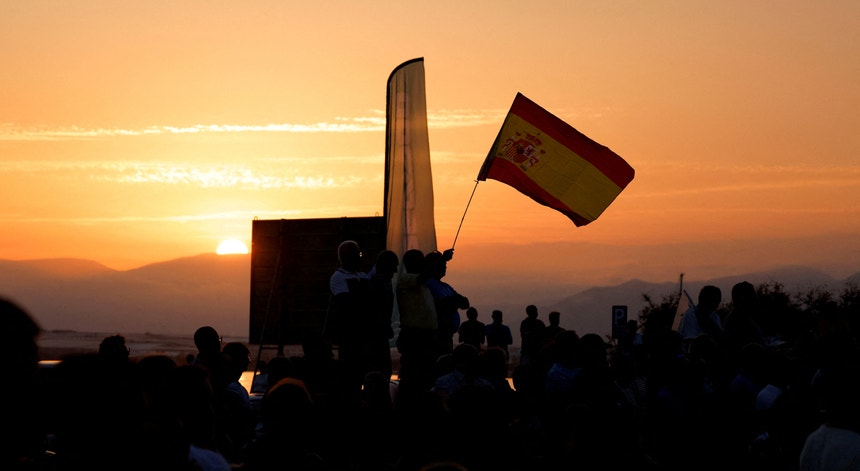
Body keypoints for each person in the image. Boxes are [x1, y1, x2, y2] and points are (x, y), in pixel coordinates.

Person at [328, 240, 373, 391]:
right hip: (350, 335)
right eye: (357, 254)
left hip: (364, 335)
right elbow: (347, 303)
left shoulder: (362, 275)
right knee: (351, 376)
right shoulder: (338, 277)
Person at [395, 248, 438, 391]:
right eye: (422, 261)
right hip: (414, 336)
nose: (424, 265)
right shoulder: (405, 279)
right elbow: (424, 275)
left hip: (424, 336)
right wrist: (440, 260)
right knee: (413, 375)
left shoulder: (420, 283)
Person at [424, 249, 470, 357]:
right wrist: (451, 303)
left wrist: (451, 302)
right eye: (442, 264)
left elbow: (465, 303)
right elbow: (441, 306)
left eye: (445, 264)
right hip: (436, 337)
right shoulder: (427, 283)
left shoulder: (446, 287)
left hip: (447, 337)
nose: (445, 266)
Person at [677, 285, 724, 351]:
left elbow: (720, 338)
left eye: (718, 301)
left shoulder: (715, 316)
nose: (717, 305)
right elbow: (689, 342)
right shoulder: (691, 316)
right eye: (715, 301)